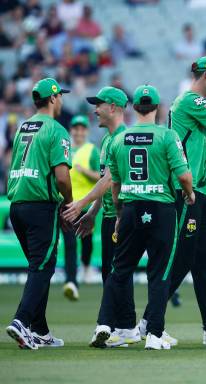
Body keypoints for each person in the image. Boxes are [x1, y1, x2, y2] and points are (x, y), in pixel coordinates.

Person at [139, 53, 206, 346]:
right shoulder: (190, 101)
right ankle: (149, 321)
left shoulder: (193, 104)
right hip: (184, 191)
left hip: (200, 192)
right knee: (183, 258)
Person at [90, 84, 194, 350]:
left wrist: (119, 211)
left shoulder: (119, 139)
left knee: (119, 269)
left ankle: (104, 323)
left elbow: (114, 184)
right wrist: (190, 194)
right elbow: (183, 175)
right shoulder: (167, 136)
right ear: (157, 108)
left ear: (134, 107)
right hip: (161, 209)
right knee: (159, 273)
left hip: (131, 208)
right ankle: (155, 335)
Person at [61, 87, 139, 346]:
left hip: (123, 214)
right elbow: (107, 183)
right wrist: (93, 213)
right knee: (113, 272)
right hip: (108, 214)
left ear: (114, 107)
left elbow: (110, 179)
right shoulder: (107, 140)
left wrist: (83, 202)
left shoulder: (124, 138)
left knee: (116, 272)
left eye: (99, 104)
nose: (95, 109)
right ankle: (127, 326)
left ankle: (110, 324)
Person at [6, 77, 72, 349]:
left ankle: (40, 330)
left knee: (38, 266)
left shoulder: (23, 127)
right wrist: (68, 202)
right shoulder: (56, 130)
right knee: (42, 267)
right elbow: (61, 177)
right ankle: (21, 321)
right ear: (54, 98)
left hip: (17, 206)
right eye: (61, 96)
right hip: (40, 206)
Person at [61, 115, 99, 300]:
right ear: (71, 130)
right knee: (69, 243)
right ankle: (71, 281)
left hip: (85, 205)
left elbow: (101, 177)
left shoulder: (91, 150)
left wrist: (84, 171)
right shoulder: (65, 149)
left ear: (86, 131)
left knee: (86, 243)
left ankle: (85, 266)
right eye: (75, 128)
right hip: (67, 203)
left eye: (82, 128)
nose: (78, 132)